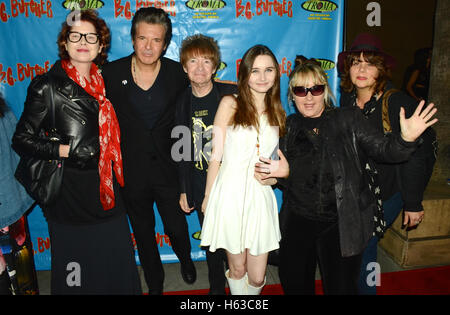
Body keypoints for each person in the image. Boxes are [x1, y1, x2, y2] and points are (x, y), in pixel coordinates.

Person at [254, 56, 437, 295]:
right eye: (301, 90)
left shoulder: (348, 119)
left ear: (325, 90)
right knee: (296, 286)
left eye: (315, 89)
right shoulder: (287, 127)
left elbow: (384, 150)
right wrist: (278, 176)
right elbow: (274, 175)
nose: (309, 97)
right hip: (298, 222)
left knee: (342, 289)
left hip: (340, 224)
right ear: (292, 95)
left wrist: (405, 139)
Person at [12, 10, 142, 294]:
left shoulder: (108, 83)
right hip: (69, 193)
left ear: (100, 44)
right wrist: (63, 149)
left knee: (117, 262)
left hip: (107, 190)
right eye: (75, 35)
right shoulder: (46, 85)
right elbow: (21, 139)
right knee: (76, 272)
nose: (83, 41)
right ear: (66, 43)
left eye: (90, 36)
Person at [101, 7, 195, 295]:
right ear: (132, 39)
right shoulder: (111, 74)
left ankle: (185, 259)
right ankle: (155, 283)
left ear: (165, 43)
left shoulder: (177, 74)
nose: (148, 46)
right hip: (131, 172)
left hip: (169, 169)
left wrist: (186, 176)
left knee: (177, 229)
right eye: (143, 38)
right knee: (143, 233)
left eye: (156, 40)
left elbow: (185, 126)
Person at [338, 33, 437, 294]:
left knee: (366, 245)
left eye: (369, 63)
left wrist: (413, 203)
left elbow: (417, 155)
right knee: (356, 246)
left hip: (389, 190)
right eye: (356, 62)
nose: (361, 69)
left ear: (380, 70)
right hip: (359, 190)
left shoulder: (397, 103)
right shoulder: (348, 101)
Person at [199, 44, 287, 295]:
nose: (262, 77)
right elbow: (215, 156)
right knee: (237, 271)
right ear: (245, 74)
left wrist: (272, 179)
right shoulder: (230, 103)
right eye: (255, 70)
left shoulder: (277, 111)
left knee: (258, 277)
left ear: (276, 74)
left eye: (268, 70)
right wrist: (208, 197)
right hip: (230, 195)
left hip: (260, 198)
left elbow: (273, 163)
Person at [175, 34, 237, 295]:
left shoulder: (232, 94)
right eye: (193, 61)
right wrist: (184, 189)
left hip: (234, 181)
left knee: (237, 241)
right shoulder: (180, 103)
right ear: (184, 67)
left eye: (206, 61)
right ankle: (216, 288)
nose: (200, 68)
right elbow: (180, 151)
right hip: (201, 183)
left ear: (215, 66)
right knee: (212, 241)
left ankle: (241, 286)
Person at [1, 95, 36, 294]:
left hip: (8, 205)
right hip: (10, 204)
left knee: (18, 273)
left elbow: (18, 154)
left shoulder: (3, 113)